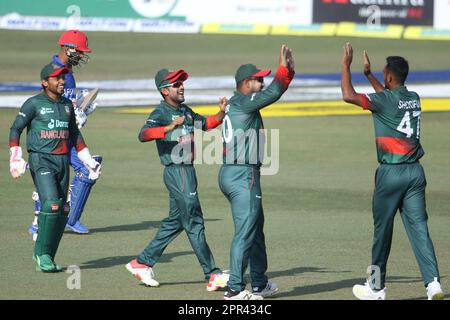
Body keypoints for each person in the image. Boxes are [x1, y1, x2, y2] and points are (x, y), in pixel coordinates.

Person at [340, 42, 444, 300]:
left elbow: (347, 95)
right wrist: (369, 76)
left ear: (388, 76)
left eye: (383, 73)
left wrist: (346, 65)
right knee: (420, 229)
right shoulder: (413, 98)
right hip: (416, 174)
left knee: (382, 232)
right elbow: (390, 99)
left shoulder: (385, 100)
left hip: (391, 175)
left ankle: (375, 288)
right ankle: (433, 285)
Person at [126, 68, 230, 291]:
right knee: (194, 220)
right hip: (177, 171)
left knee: (177, 221)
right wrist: (167, 128)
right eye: (176, 84)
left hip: (187, 172)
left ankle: (142, 263)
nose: (181, 86)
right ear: (164, 90)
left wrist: (221, 113)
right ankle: (212, 274)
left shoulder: (186, 110)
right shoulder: (160, 112)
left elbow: (207, 123)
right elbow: (143, 134)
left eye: (182, 83)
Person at [219, 45, 295, 300]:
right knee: (245, 230)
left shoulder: (236, 102)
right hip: (243, 174)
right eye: (258, 79)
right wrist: (284, 70)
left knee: (255, 228)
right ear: (245, 83)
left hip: (235, 172)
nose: (262, 83)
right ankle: (235, 289)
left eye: (263, 78)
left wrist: (289, 71)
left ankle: (259, 283)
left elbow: (273, 90)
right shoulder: (243, 102)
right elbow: (274, 92)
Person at [9, 63, 101, 272]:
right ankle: (41, 254)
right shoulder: (33, 104)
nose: (61, 82)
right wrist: (15, 155)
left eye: (63, 78)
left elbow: (75, 134)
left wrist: (87, 159)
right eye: (56, 78)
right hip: (41, 159)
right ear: (44, 82)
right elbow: (16, 128)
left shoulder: (67, 105)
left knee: (62, 211)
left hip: (61, 161)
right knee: (51, 204)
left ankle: (47, 256)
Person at [28, 29, 101, 239]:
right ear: (67, 49)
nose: (81, 55)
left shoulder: (66, 71)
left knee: (87, 169)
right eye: (79, 51)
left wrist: (80, 109)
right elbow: (47, 105)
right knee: (77, 170)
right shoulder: (55, 71)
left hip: (62, 134)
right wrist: (74, 116)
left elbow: (64, 103)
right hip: (51, 136)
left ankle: (65, 219)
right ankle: (45, 221)